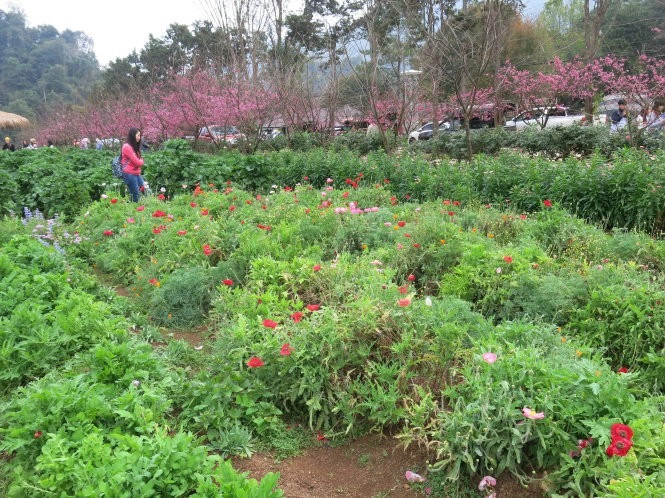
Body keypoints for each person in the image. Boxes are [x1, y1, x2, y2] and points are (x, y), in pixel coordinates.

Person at [121, 128, 146, 202]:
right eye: (138, 135)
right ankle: (134, 211)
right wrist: (141, 161)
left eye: (140, 135)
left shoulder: (134, 147)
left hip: (136, 174)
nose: (139, 137)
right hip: (130, 174)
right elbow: (138, 163)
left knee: (146, 190)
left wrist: (140, 160)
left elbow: (139, 160)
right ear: (133, 135)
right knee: (136, 196)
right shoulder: (127, 147)